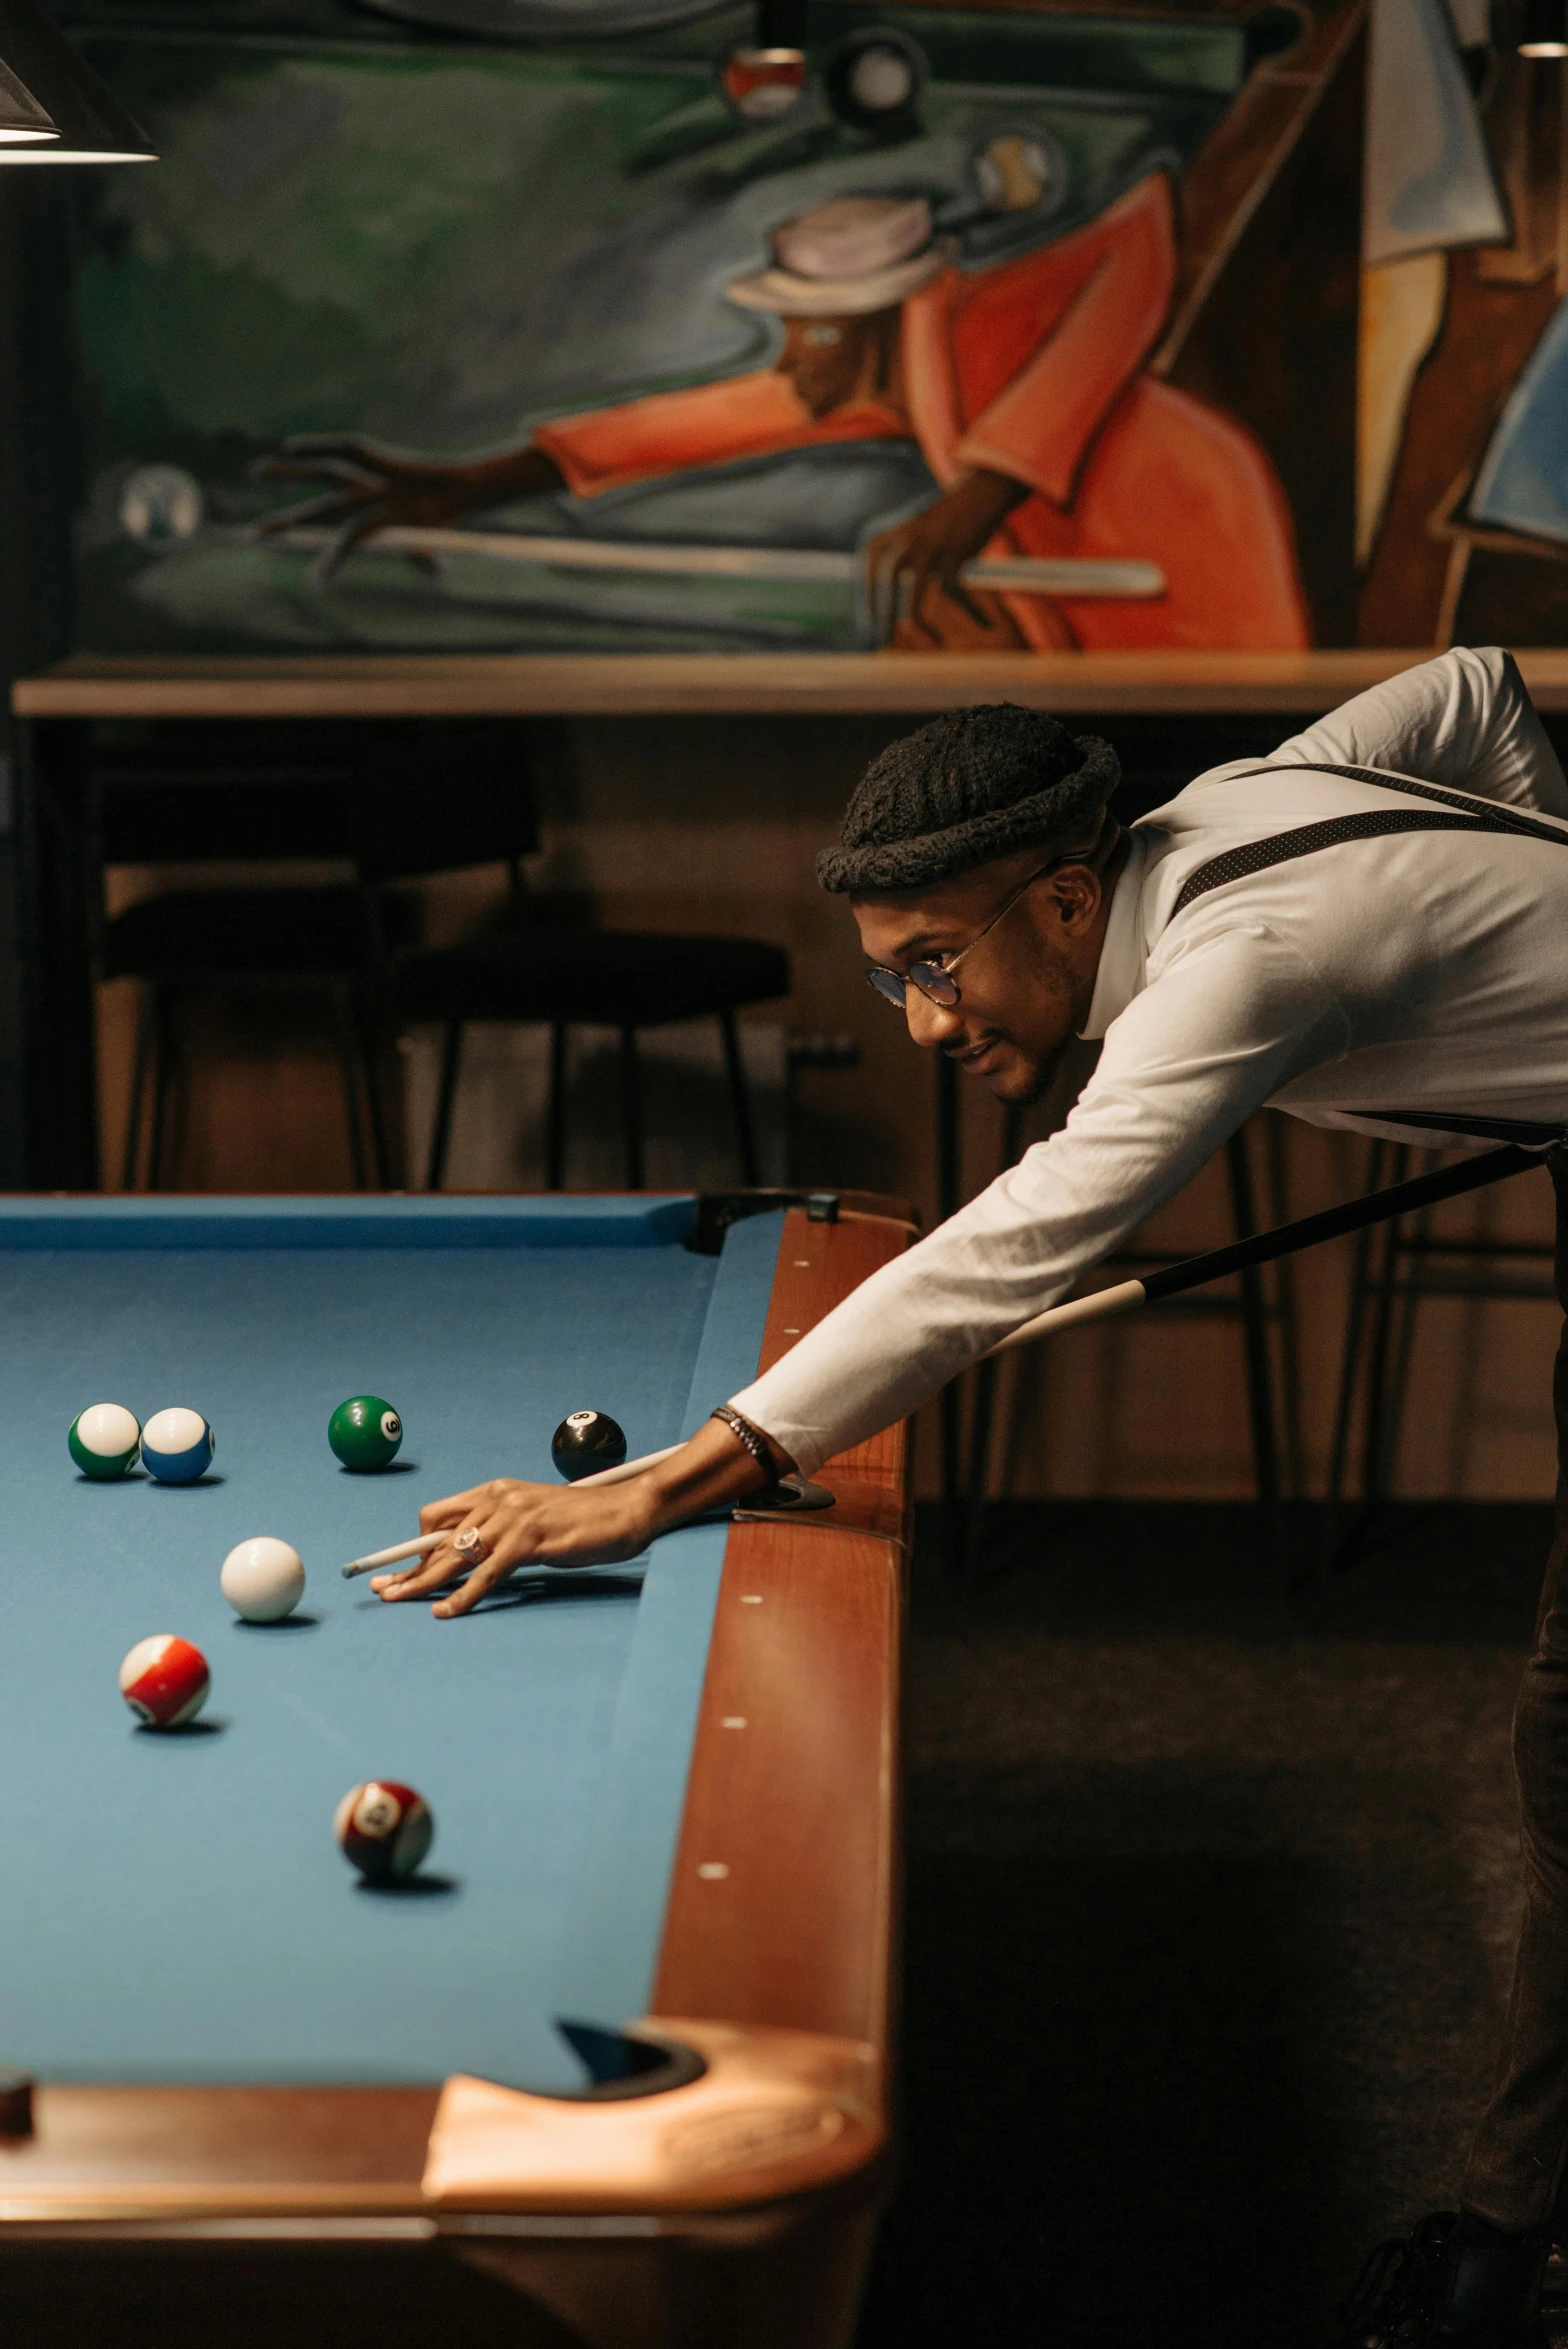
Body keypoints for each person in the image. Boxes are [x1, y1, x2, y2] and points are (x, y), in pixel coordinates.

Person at [380, 644, 1568, 2344]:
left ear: (1071, 896)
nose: (927, 1022)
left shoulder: (1239, 959)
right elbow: (1467, 691)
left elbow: (1007, 1250)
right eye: (889, 983)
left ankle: (1505, 2234)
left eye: (937, 963)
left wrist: (677, 1477)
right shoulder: (1218, 810)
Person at [261, 175, 1309, 652]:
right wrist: (472, 486)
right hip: (1087, 582)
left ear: (868, 322)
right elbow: (686, 424)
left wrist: (973, 500)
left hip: (1185, 540)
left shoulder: (983, 323)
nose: (787, 355)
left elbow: (1141, 237)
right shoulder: (872, 371)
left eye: (805, 331)